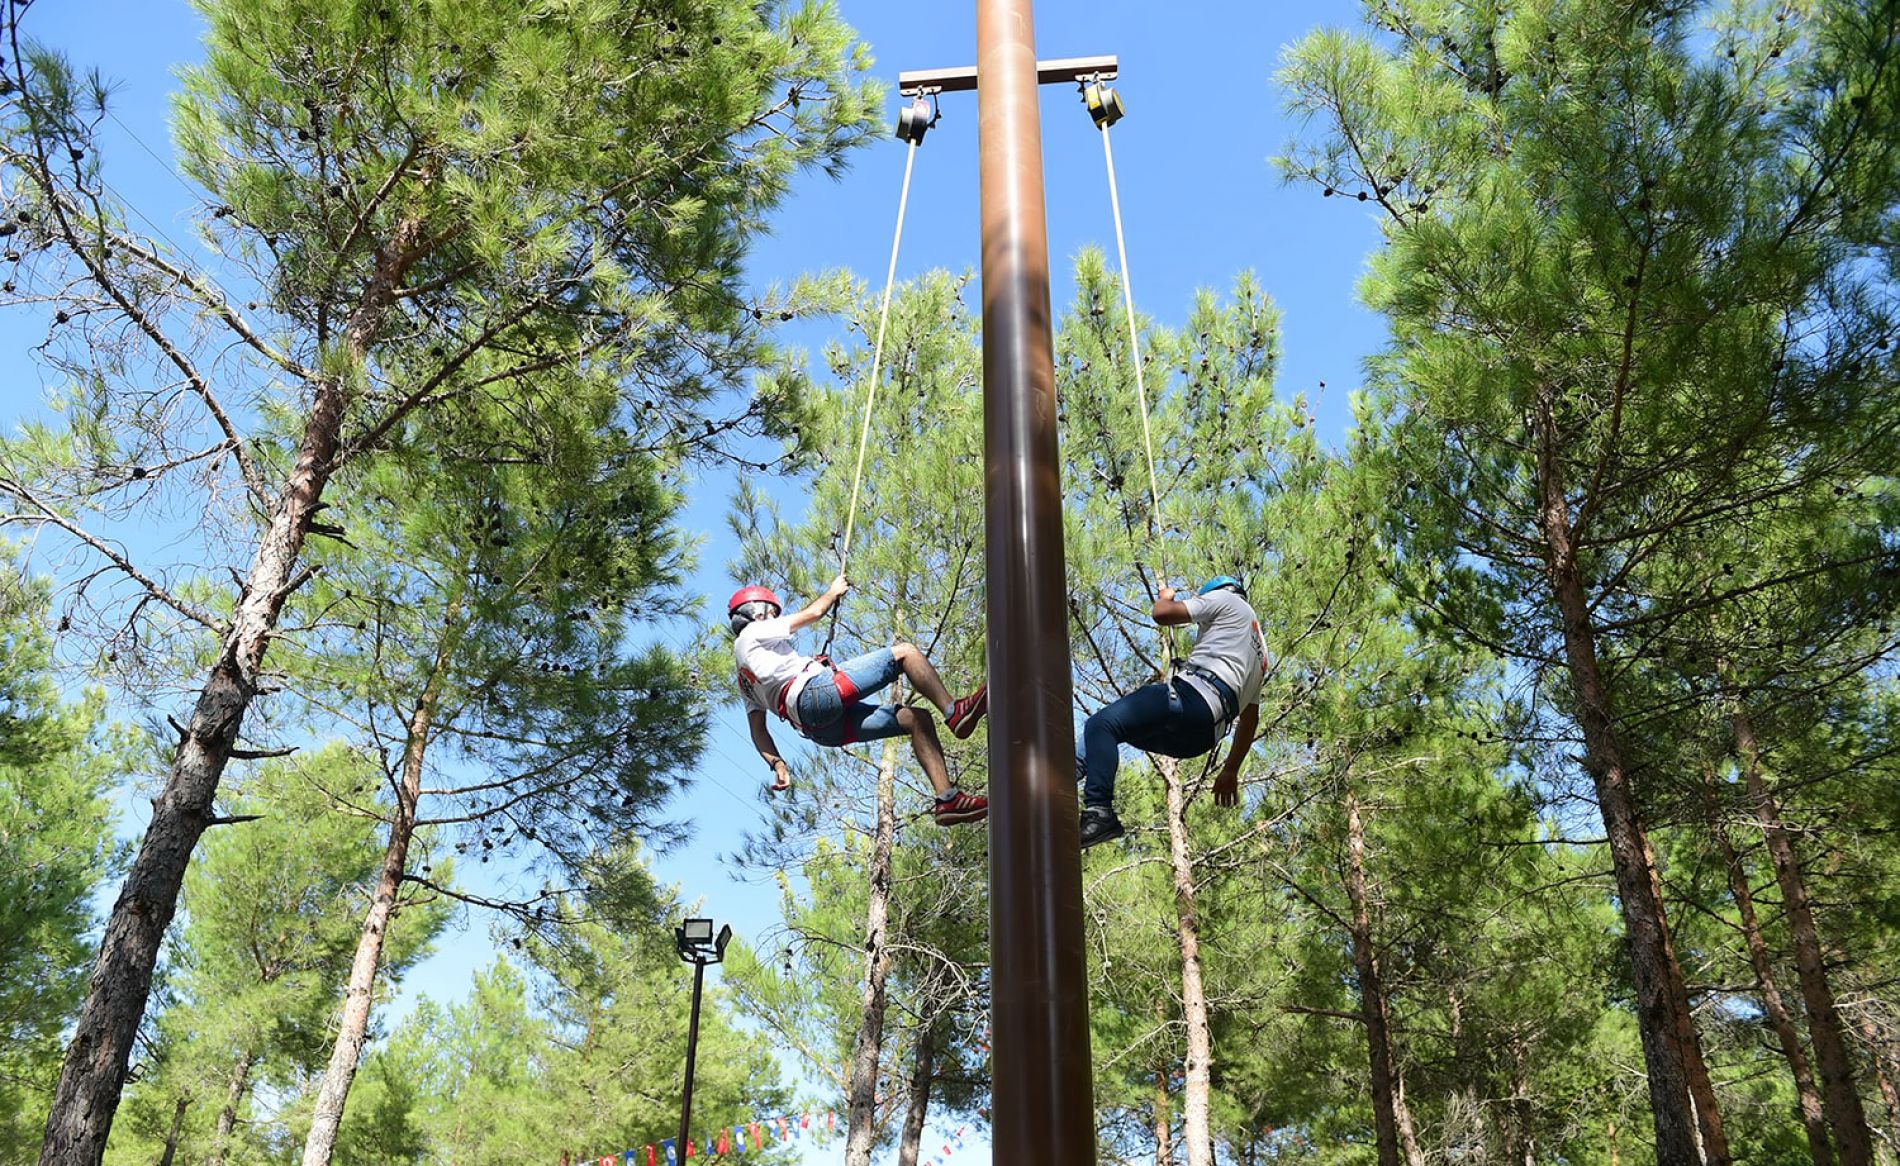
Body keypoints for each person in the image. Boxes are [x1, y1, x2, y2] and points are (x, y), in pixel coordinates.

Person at [730, 574, 990, 825]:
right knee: (905, 653)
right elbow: (813, 614)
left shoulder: (744, 678)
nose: (775, 617)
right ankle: (954, 711)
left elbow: (758, 731)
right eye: (772, 613)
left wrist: (778, 763)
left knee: (916, 719)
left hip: (820, 731)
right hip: (815, 696)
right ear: (758, 612)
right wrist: (833, 592)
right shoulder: (753, 632)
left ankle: (947, 799)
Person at [1077, 575, 1266, 848]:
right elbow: (1250, 719)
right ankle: (1073, 769)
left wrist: (1166, 597)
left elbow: (1163, 614)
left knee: (1101, 724)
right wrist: (1230, 769)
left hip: (1193, 701)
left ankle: (1099, 811)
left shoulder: (1226, 600)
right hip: (1200, 737)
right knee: (1112, 731)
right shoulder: (1260, 651)